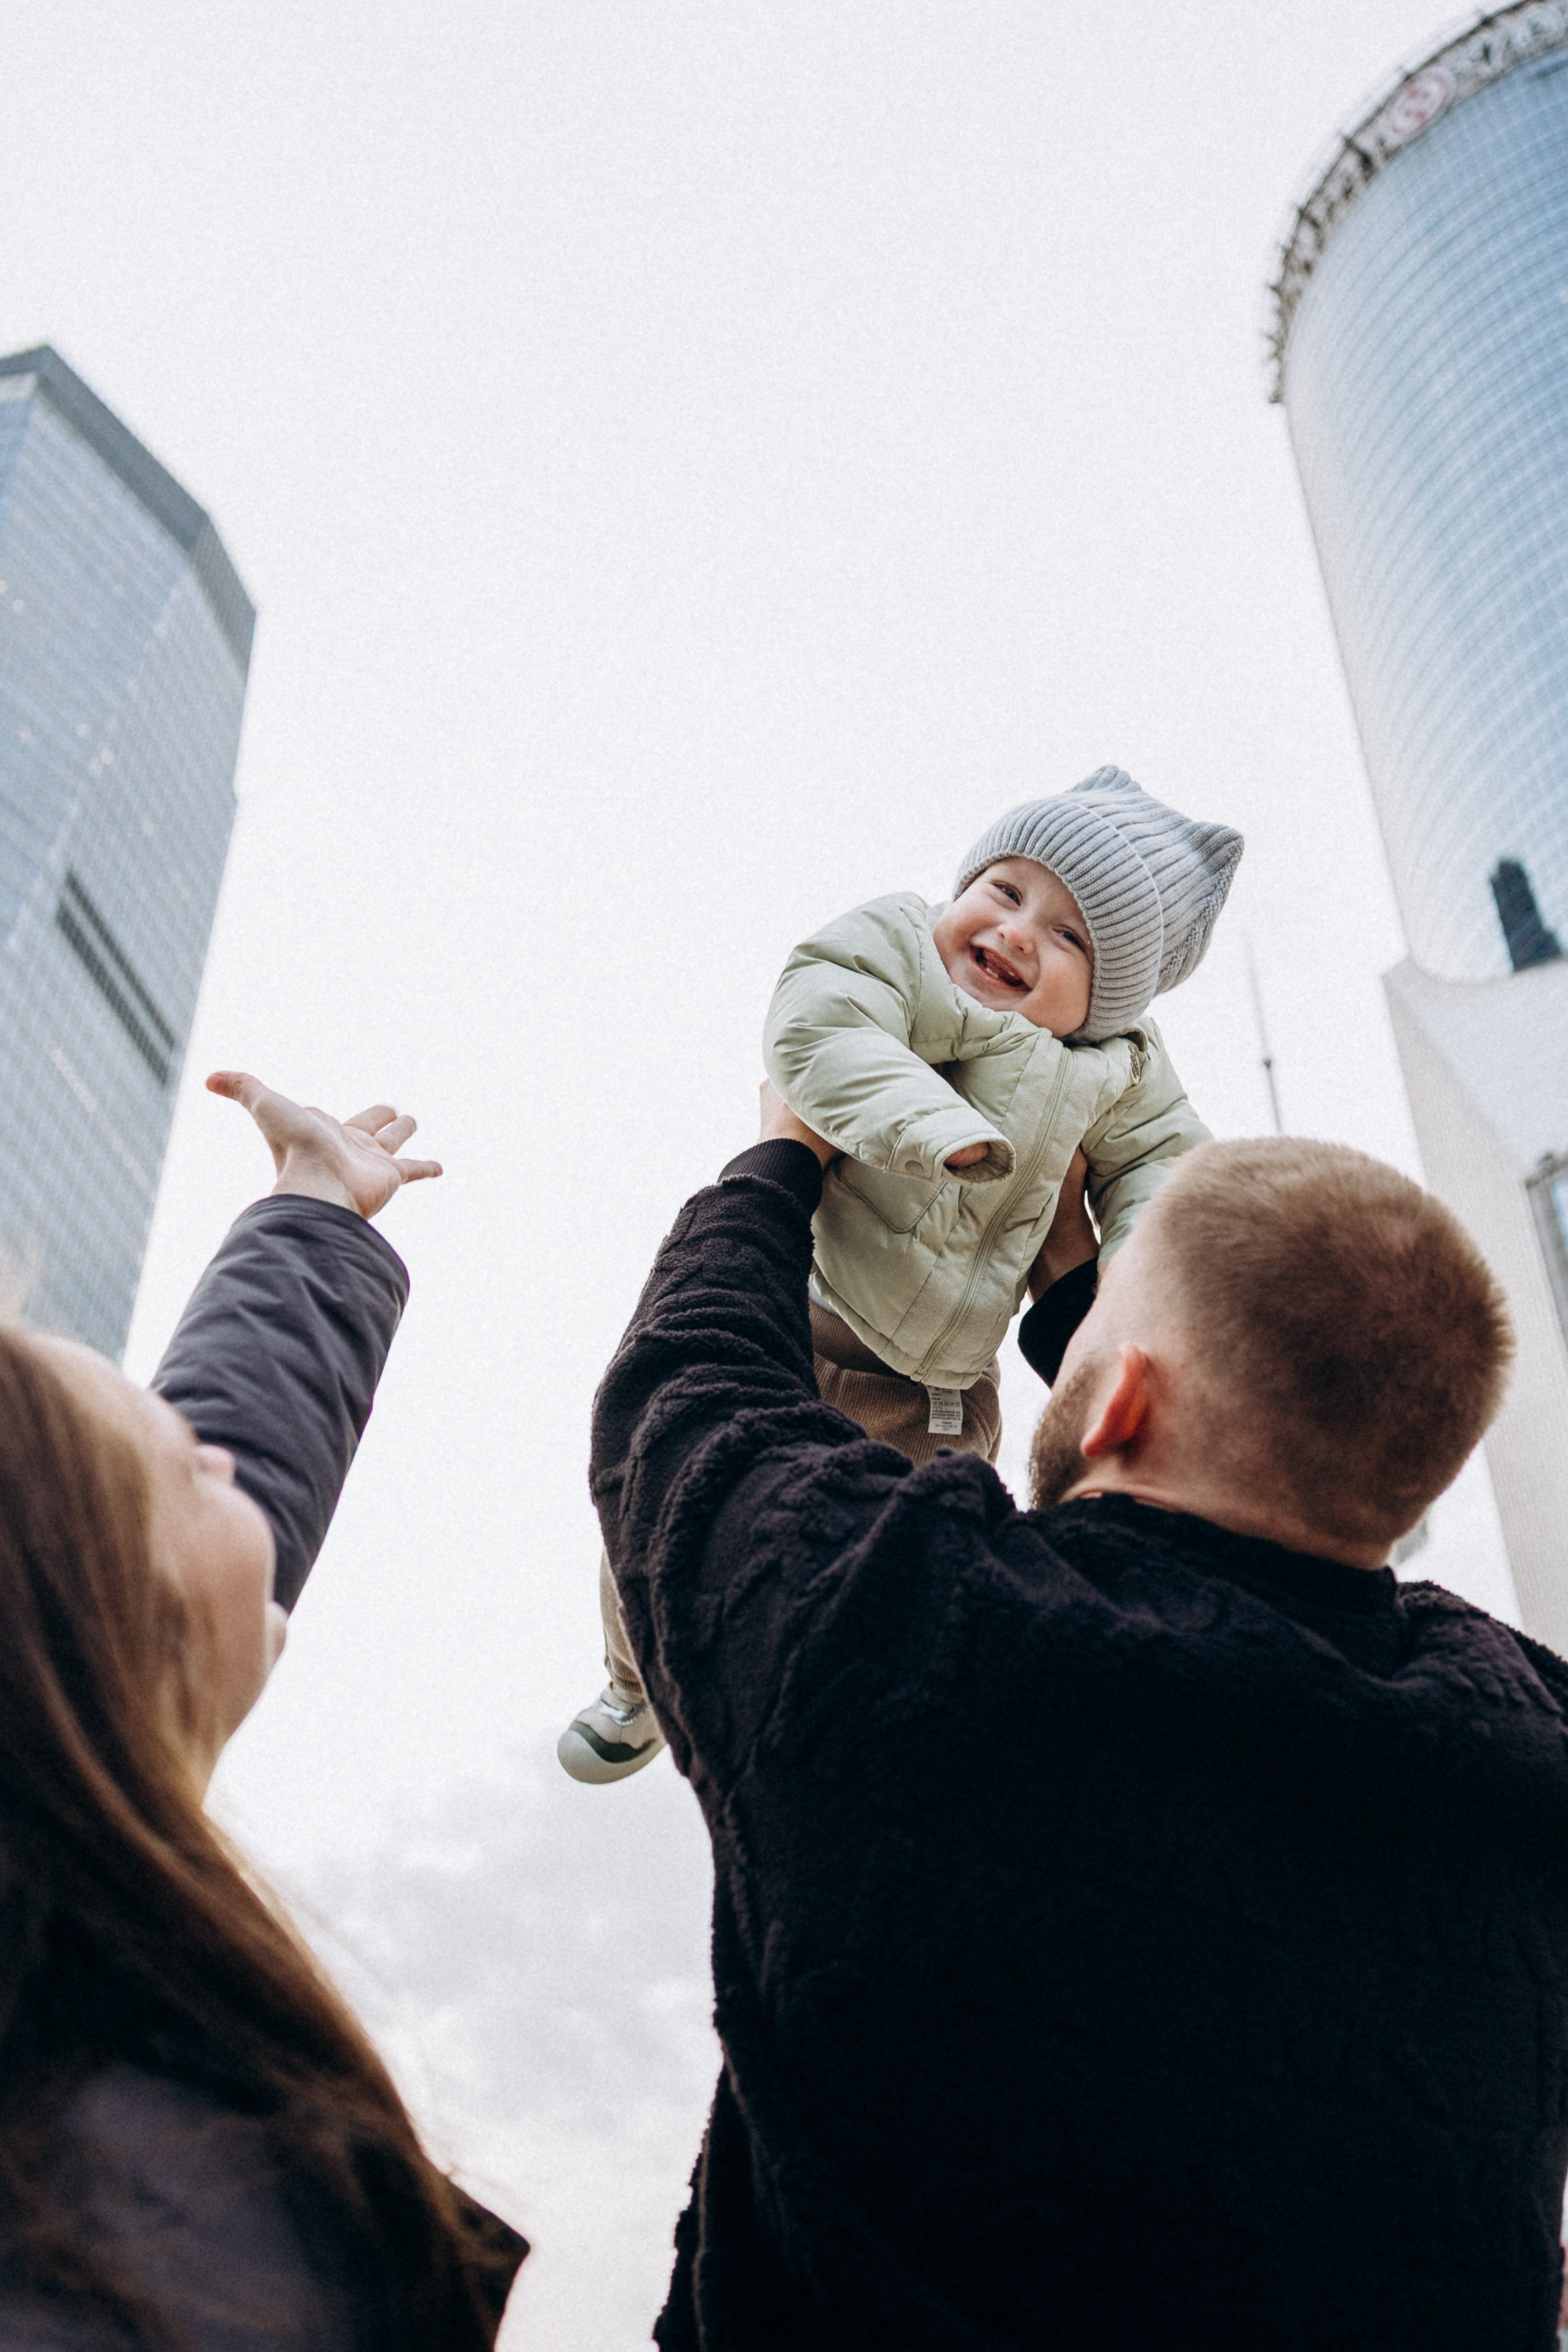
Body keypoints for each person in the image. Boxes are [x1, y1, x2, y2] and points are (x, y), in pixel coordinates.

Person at [588, 1093, 1568, 2350]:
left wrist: (785, 1152)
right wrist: (1099, 1314)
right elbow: (1270, 1497)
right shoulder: (1525, 1770)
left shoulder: (906, 1629)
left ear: (1119, 1402)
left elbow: (691, 1388)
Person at [560, 764, 1243, 1781]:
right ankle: (637, 1682)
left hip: (943, 1393)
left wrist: (1140, 1282)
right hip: (807, 1322)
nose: (1016, 934)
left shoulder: (1125, 1070)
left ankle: (865, 1737)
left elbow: (1169, 1174)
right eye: (1006, 892)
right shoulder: (905, 954)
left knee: (919, 1564)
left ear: (1115, 1002)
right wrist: (934, 1127)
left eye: (1070, 937)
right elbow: (816, 1023)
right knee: (671, 1503)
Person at [0, 1073, 526, 2350]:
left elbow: (214, 1471)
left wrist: (316, 1210)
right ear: (103, 1640)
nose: (219, 1452)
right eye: (188, 1470)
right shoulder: (154, 2247)